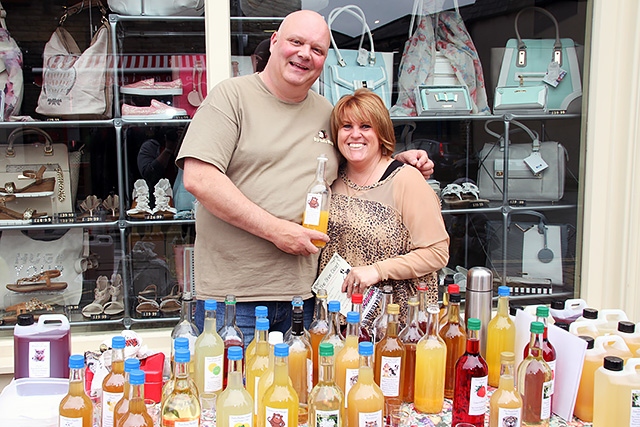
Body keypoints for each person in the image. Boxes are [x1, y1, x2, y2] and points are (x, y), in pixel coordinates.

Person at [177, 10, 434, 343]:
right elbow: (199, 178)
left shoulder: (327, 114)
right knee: (232, 392)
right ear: (274, 43)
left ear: (324, 59)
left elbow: (353, 164)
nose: (304, 54)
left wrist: (393, 162)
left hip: (307, 298)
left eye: (317, 49)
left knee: (298, 392)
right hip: (233, 298)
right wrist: (276, 231)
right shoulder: (231, 97)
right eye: (296, 42)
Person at [319, 88, 449, 327]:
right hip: (339, 319)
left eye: (365, 126)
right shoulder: (331, 178)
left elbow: (437, 252)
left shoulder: (406, 179)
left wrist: (378, 270)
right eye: (346, 126)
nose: (355, 135)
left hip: (393, 323)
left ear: (381, 132)